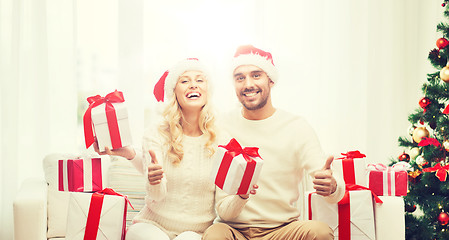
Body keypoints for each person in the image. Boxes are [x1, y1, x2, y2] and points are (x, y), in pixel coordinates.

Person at [202, 45, 346, 240]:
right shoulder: (222, 126)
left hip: (282, 230)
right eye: (240, 77)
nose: (248, 84)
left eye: (256, 75)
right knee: (214, 235)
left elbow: (332, 186)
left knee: (320, 232)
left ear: (270, 80)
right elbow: (223, 207)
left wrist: (333, 186)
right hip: (233, 230)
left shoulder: (296, 127)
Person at [95, 58, 220, 240]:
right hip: (152, 225)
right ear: (173, 92)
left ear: (208, 90)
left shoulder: (220, 138)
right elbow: (157, 195)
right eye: (184, 81)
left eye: (200, 80)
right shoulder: (156, 133)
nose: (193, 85)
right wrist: (154, 180)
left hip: (196, 232)